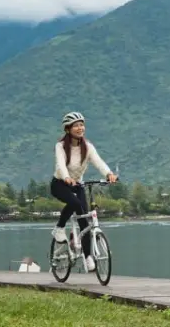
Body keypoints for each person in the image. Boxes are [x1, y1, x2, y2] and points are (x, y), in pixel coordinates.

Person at [51, 111, 117, 272]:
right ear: (68, 129)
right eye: (76, 125)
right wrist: (66, 178)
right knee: (74, 202)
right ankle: (59, 229)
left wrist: (108, 174)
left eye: (82, 124)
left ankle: (88, 257)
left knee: (84, 222)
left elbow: (98, 161)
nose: (80, 128)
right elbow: (60, 164)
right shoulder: (60, 146)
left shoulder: (87, 147)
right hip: (59, 184)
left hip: (77, 184)